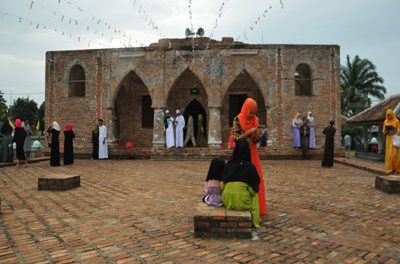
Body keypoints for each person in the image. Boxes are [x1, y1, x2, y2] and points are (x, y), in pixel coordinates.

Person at [232, 97, 267, 218]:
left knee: (255, 177)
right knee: (242, 178)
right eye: (250, 112)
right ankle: (242, 204)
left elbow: (255, 140)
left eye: (254, 113)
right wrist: (248, 132)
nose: (252, 115)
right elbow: (236, 138)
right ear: (246, 109)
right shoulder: (238, 119)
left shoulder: (256, 120)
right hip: (241, 152)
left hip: (252, 152)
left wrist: (258, 135)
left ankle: (258, 206)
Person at [221, 139, 261, 228]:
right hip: (241, 201)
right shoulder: (250, 167)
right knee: (255, 197)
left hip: (227, 200)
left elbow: (222, 183)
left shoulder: (229, 164)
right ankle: (255, 221)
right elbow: (254, 188)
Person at [383, 109, 400, 174]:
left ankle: (396, 169)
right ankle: (389, 169)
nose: (389, 116)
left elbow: (399, 130)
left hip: (395, 138)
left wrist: (395, 129)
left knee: (395, 154)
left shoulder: (397, 121)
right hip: (388, 139)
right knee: (389, 155)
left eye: (390, 115)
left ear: (392, 114)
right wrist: (386, 131)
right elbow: (383, 130)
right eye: (388, 115)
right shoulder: (385, 121)